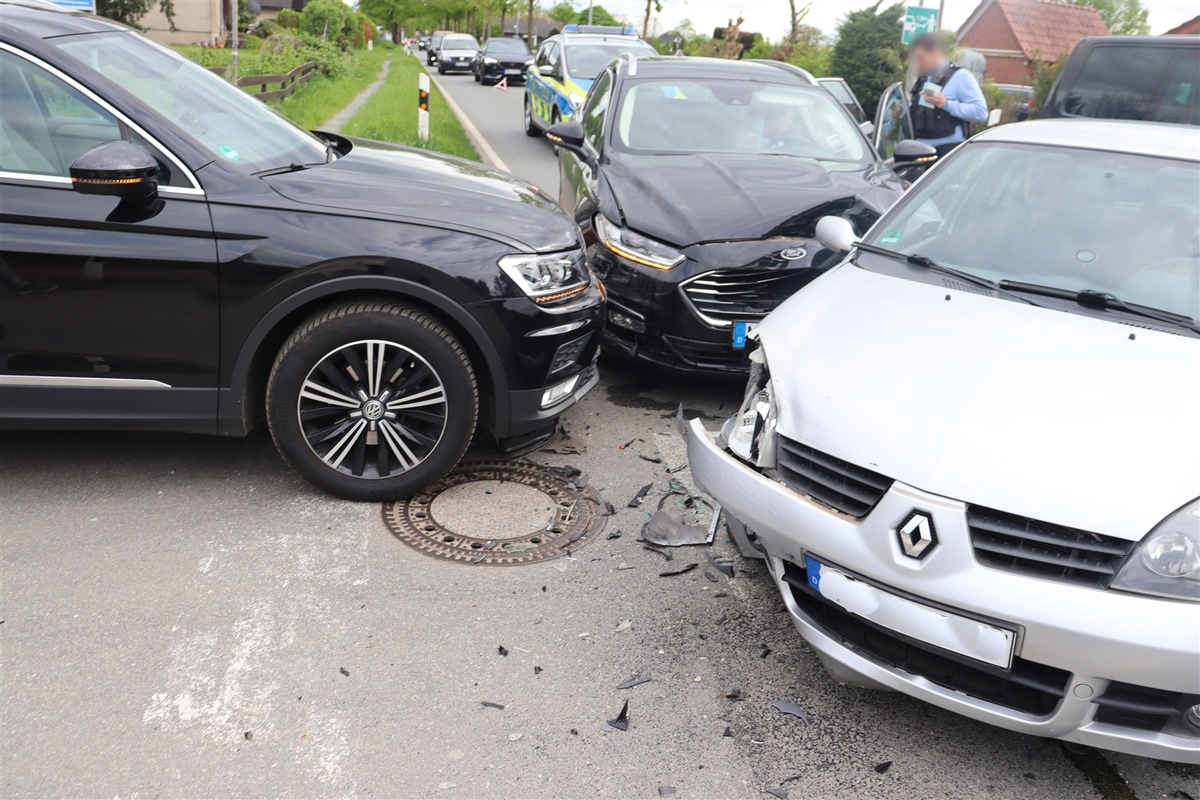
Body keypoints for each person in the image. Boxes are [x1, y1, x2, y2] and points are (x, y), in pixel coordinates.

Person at [908, 33, 988, 157]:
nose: (918, 63)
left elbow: (981, 112)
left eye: (921, 58)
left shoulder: (961, 76)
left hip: (947, 156)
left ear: (936, 52)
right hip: (920, 153)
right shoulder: (924, 77)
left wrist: (946, 104)